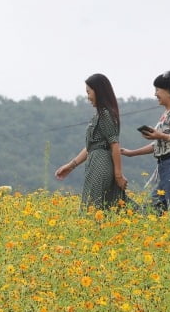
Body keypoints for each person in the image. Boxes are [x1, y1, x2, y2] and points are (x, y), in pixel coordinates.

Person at [121, 70, 170, 213]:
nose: (155, 94)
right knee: (148, 212)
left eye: (157, 90)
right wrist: (131, 153)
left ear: (168, 91)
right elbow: (158, 145)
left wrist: (161, 136)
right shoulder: (166, 114)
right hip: (165, 168)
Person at [54, 73, 132, 210]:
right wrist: (71, 165)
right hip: (94, 162)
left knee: (93, 206)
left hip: (101, 165)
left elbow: (114, 144)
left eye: (88, 92)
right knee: (99, 206)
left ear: (98, 91)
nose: (88, 97)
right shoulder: (99, 115)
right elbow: (90, 147)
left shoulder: (106, 114)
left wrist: (118, 175)